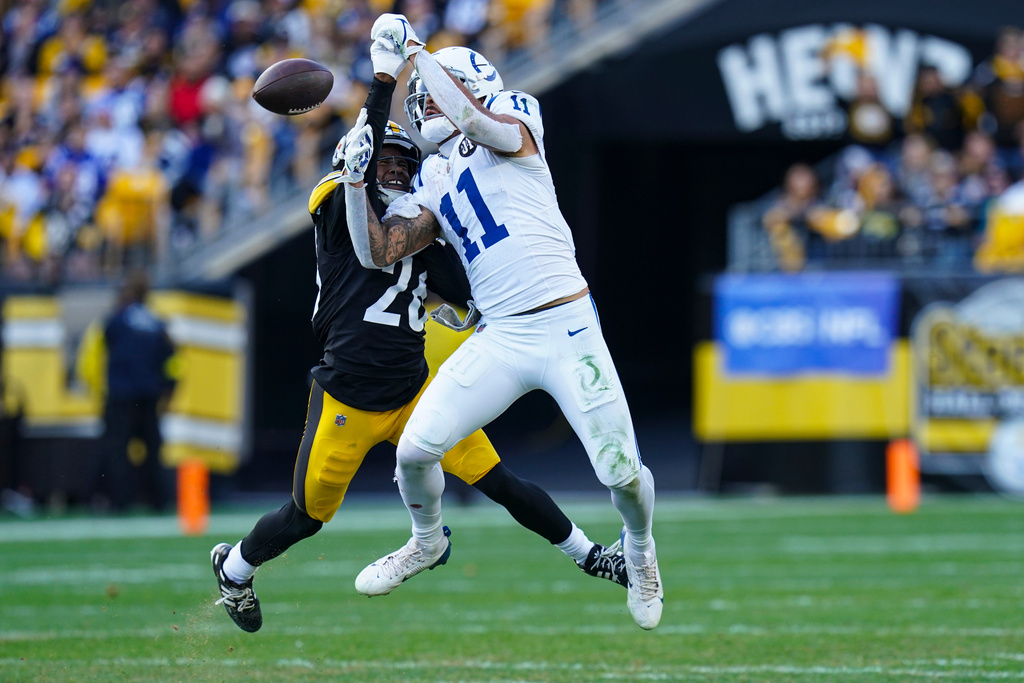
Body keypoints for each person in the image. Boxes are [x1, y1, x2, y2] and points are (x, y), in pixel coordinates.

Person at [209, 65, 627, 634]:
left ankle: (591, 555)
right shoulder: (336, 202)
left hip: (412, 392)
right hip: (347, 397)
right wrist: (382, 85)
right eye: (386, 163)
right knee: (306, 517)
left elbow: (476, 298)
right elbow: (363, 166)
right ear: (358, 159)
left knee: (498, 482)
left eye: (405, 166)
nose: (397, 174)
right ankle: (234, 570)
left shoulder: (419, 233)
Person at [341, 16, 663, 630]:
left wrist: (416, 51)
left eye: (430, 88)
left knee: (620, 472)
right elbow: (375, 252)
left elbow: (474, 122)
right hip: (503, 335)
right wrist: (357, 185)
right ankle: (427, 540)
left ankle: (641, 548)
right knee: (415, 449)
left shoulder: (515, 113)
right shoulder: (431, 175)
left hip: (567, 324)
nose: (422, 101)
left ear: (460, 79)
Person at [89, 270, 177, 512]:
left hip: (121, 395)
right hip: (149, 395)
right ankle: (158, 500)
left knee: (117, 449)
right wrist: (169, 391)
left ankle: (119, 500)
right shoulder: (157, 323)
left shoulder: (117, 320)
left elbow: (104, 346)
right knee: (152, 449)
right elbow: (171, 361)